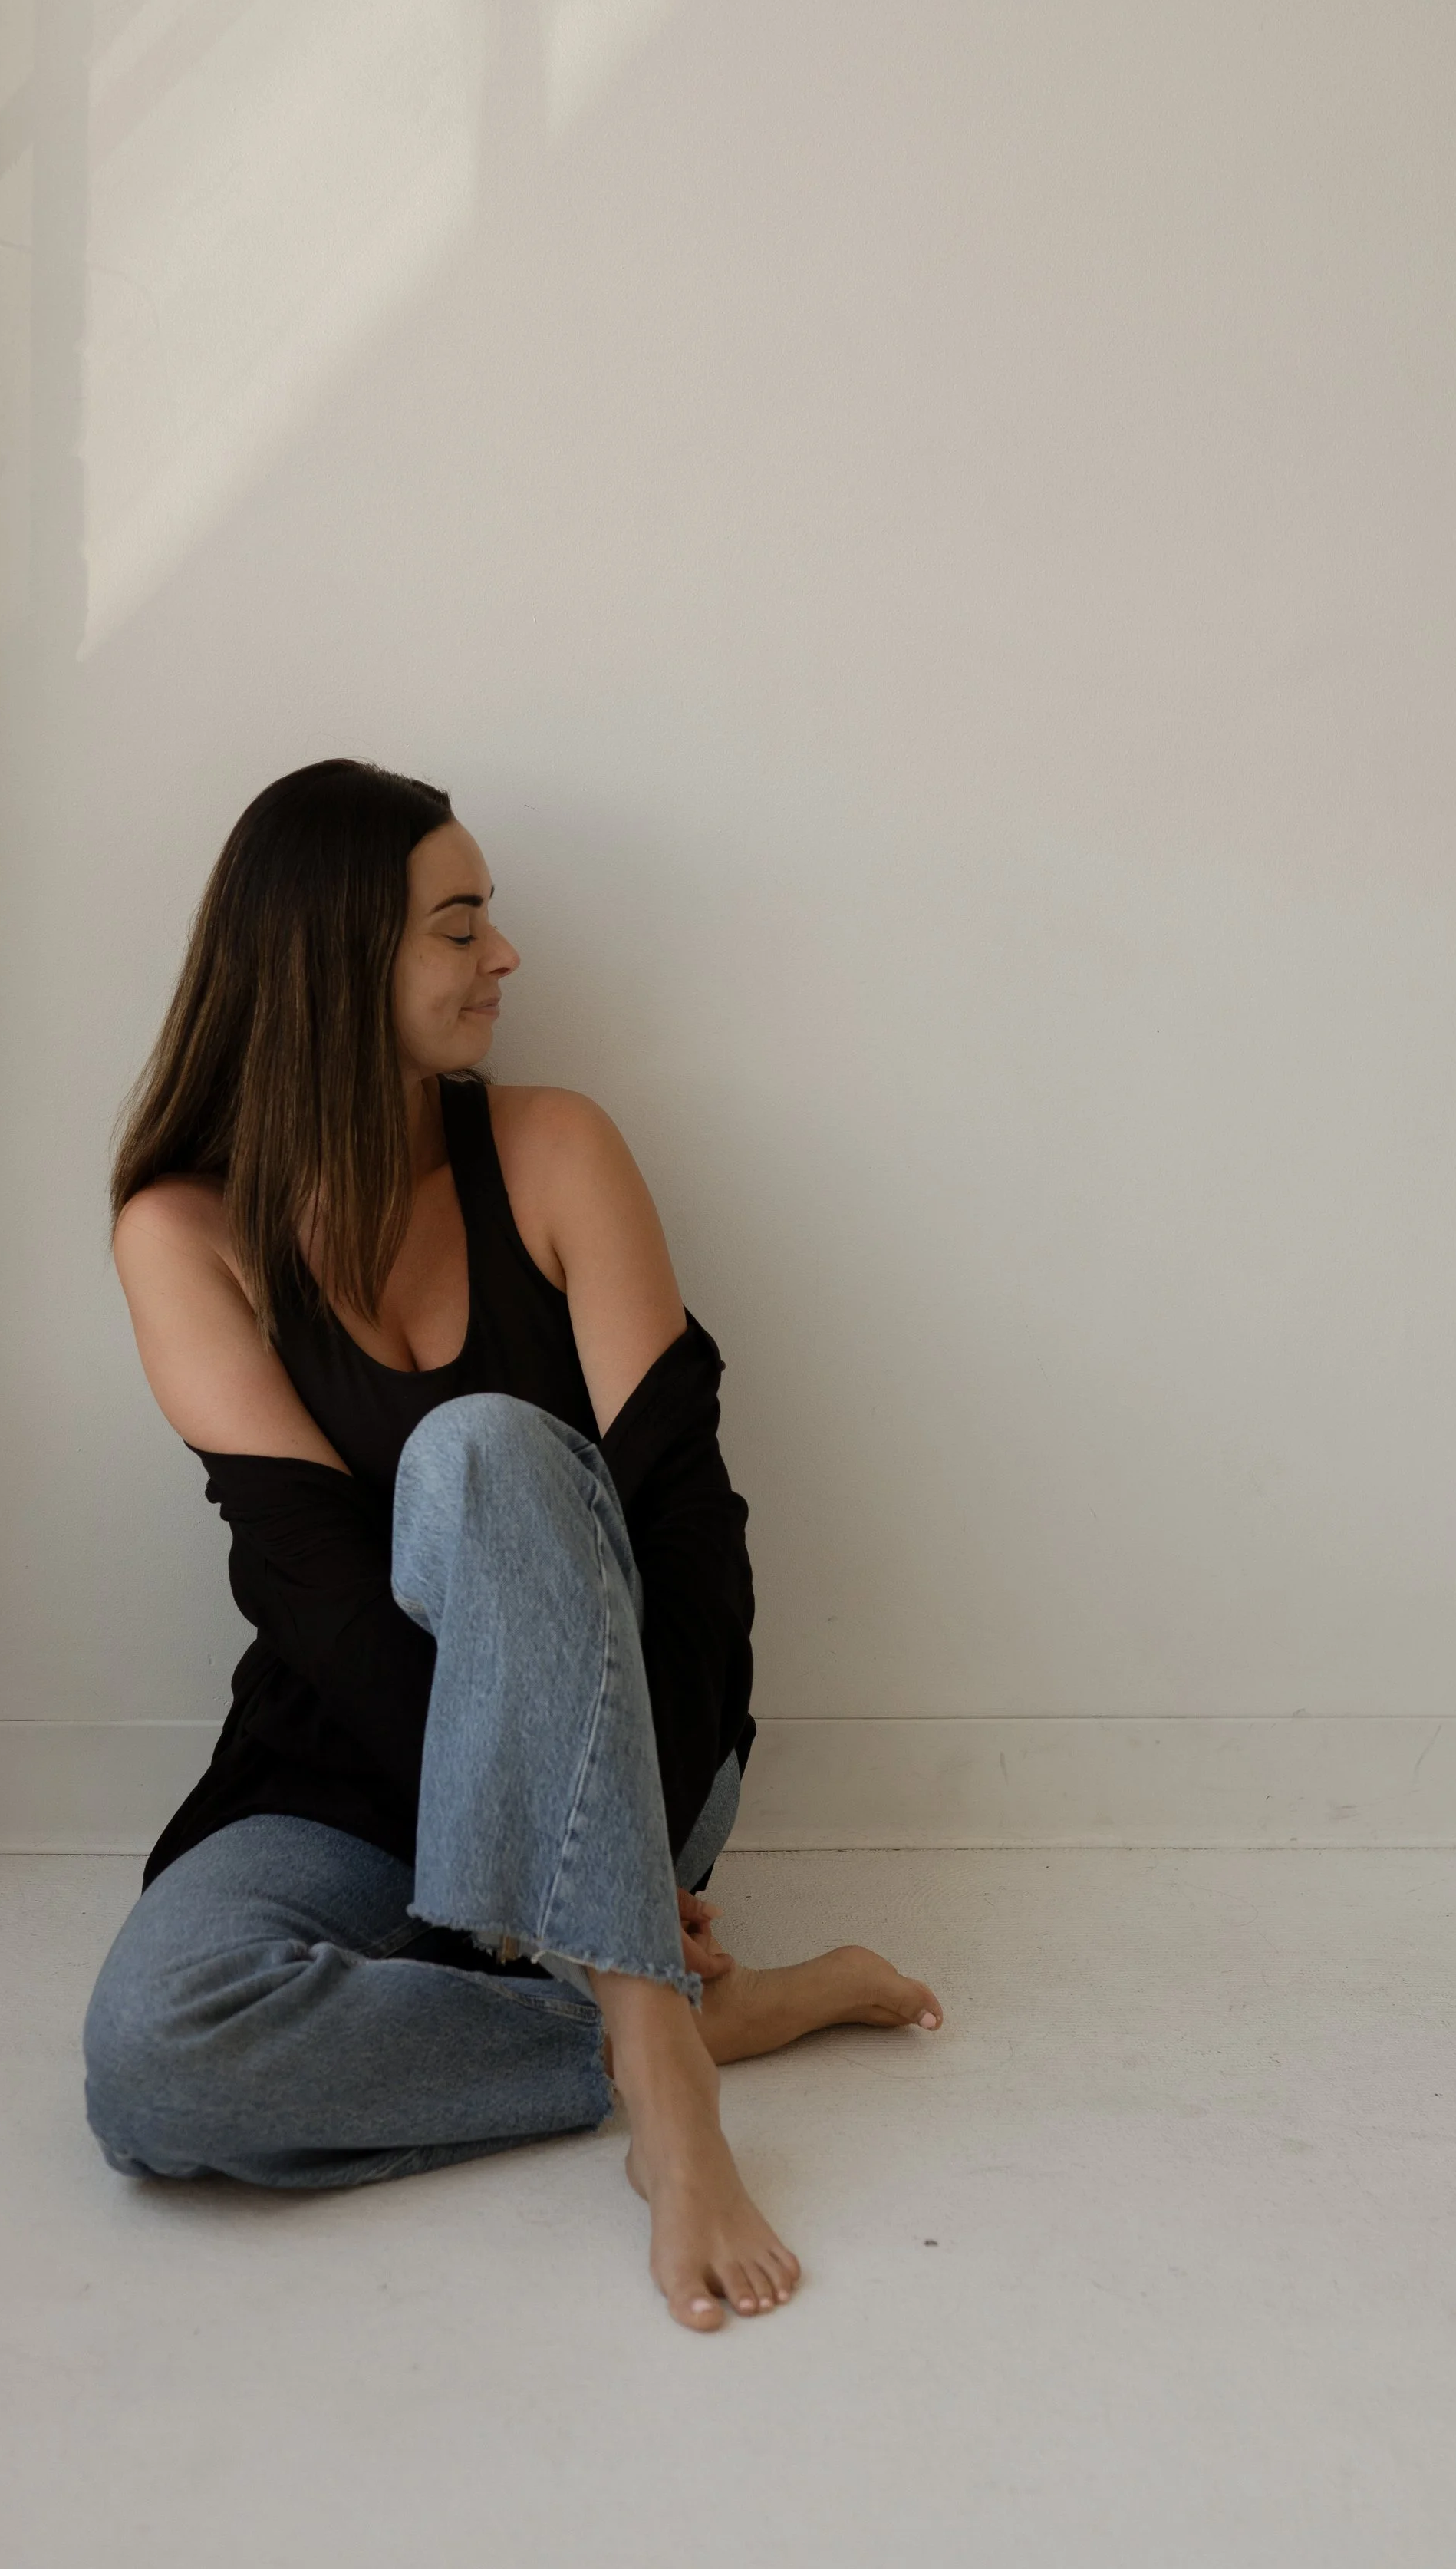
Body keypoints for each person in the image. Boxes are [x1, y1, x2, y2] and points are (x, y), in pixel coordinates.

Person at [83, 758, 942, 2331]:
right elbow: (309, 1594)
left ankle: (661, 2098)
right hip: (339, 1764)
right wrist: (585, 1898)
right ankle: (667, 2018)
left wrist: (624, 1817)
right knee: (153, 2059)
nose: (503, 958)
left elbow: (688, 1534)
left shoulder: (553, 1152)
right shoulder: (183, 1230)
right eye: (457, 926)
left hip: (628, 1730)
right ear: (339, 960)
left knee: (477, 1448)